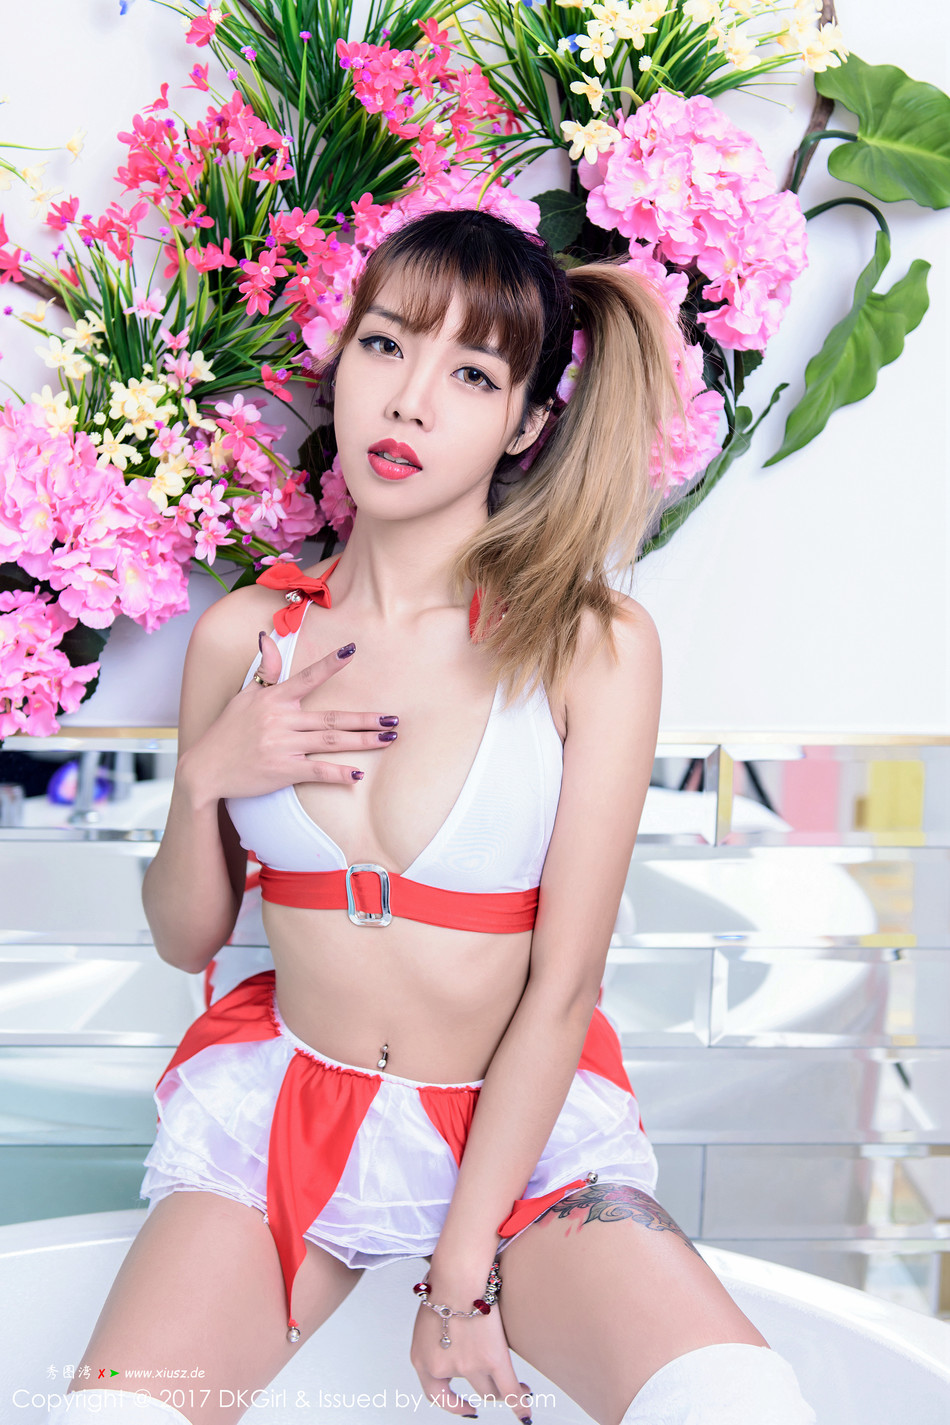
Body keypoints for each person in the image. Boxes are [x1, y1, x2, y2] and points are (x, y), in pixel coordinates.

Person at [51, 207, 816, 1425]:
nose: (408, 402)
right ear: (340, 360)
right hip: (290, 1117)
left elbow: (564, 985)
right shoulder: (246, 636)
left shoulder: (588, 645)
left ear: (525, 424)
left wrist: (461, 1273)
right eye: (385, 346)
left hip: (518, 1142)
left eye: (470, 375)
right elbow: (186, 936)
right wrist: (205, 778)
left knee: (738, 1401)